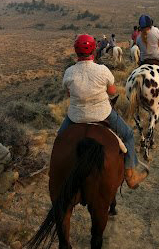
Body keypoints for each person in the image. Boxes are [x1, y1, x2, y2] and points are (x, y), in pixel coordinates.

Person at [57, 34, 149, 188]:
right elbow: (112, 92)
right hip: (102, 113)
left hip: (76, 116)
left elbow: (68, 93)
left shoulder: (69, 72)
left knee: (59, 139)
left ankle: (57, 172)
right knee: (128, 135)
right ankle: (130, 176)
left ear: (76, 51)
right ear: (94, 50)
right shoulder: (102, 70)